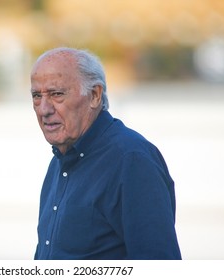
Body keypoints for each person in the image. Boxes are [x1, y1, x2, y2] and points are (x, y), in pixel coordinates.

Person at [30, 47, 181, 260]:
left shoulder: (132, 160)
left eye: (56, 94)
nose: (43, 109)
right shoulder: (60, 160)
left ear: (94, 95)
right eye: (37, 96)